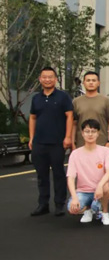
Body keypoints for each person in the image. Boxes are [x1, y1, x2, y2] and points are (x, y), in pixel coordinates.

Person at [29, 67, 74, 217]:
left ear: (55, 79)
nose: (47, 79)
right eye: (44, 77)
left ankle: (59, 204)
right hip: (39, 142)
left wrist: (68, 137)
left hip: (57, 143)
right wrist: (31, 138)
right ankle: (43, 204)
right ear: (40, 79)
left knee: (58, 174)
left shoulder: (63, 97)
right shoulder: (36, 98)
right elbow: (33, 118)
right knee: (41, 175)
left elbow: (69, 116)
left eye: (50, 77)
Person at [66, 119, 109, 226]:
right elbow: (70, 177)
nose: (90, 134)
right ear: (82, 133)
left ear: (98, 133)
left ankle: (105, 213)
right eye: (87, 131)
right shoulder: (75, 154)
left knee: (106, 187)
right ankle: (88, 210)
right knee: (72, 208)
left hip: (101, 190)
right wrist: (74, 197)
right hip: (83, 191)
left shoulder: (105, 151)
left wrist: (100, 185)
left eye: (93, 131)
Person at [71, 71, 109, 149]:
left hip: (101, 144)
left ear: (98, 83)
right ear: (84, 83)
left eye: (93, 80)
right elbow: (74, 124)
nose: (91, 83)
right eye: (88, 80)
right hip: (81, 144)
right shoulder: (76, 102)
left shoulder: (106, 101)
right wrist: (73, 142)